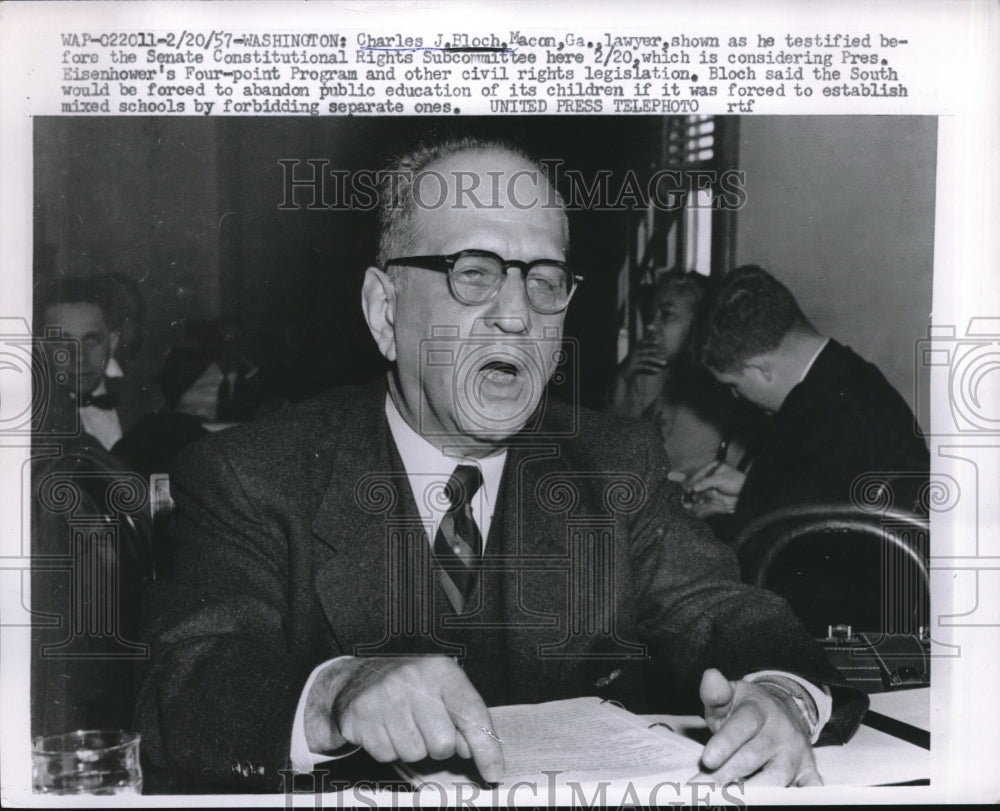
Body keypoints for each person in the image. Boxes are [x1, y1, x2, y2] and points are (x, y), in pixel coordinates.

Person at [137, 140, 866, 792]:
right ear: (385, 311)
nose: (518, 315)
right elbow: (187, 683)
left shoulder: (611, 464)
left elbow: (733, 617)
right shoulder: (253, 474)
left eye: (545, 280)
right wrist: (335, 694)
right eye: (474, 273)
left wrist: (780, 697)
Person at [686, 265, 930, 540]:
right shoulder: (842, 378)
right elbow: (812, 494)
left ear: (760, 370)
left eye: (733, 385)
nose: (736, 396)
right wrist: (749, 490)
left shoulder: (836, 418)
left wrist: (708, 517)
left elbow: (780, 545)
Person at [606, 270, 764, 479]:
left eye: (666, 315)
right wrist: (624, 377)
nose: (651, 325)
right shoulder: (647, 372)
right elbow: (615, 452)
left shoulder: (728, 383)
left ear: (700, 321)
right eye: (652, 314)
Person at [34, 275, 165, 453]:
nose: (79, 358)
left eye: (91, 340)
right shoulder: (31, 415)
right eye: (62, 343)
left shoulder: (147, 400)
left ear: (113, 342)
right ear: (42, 347)